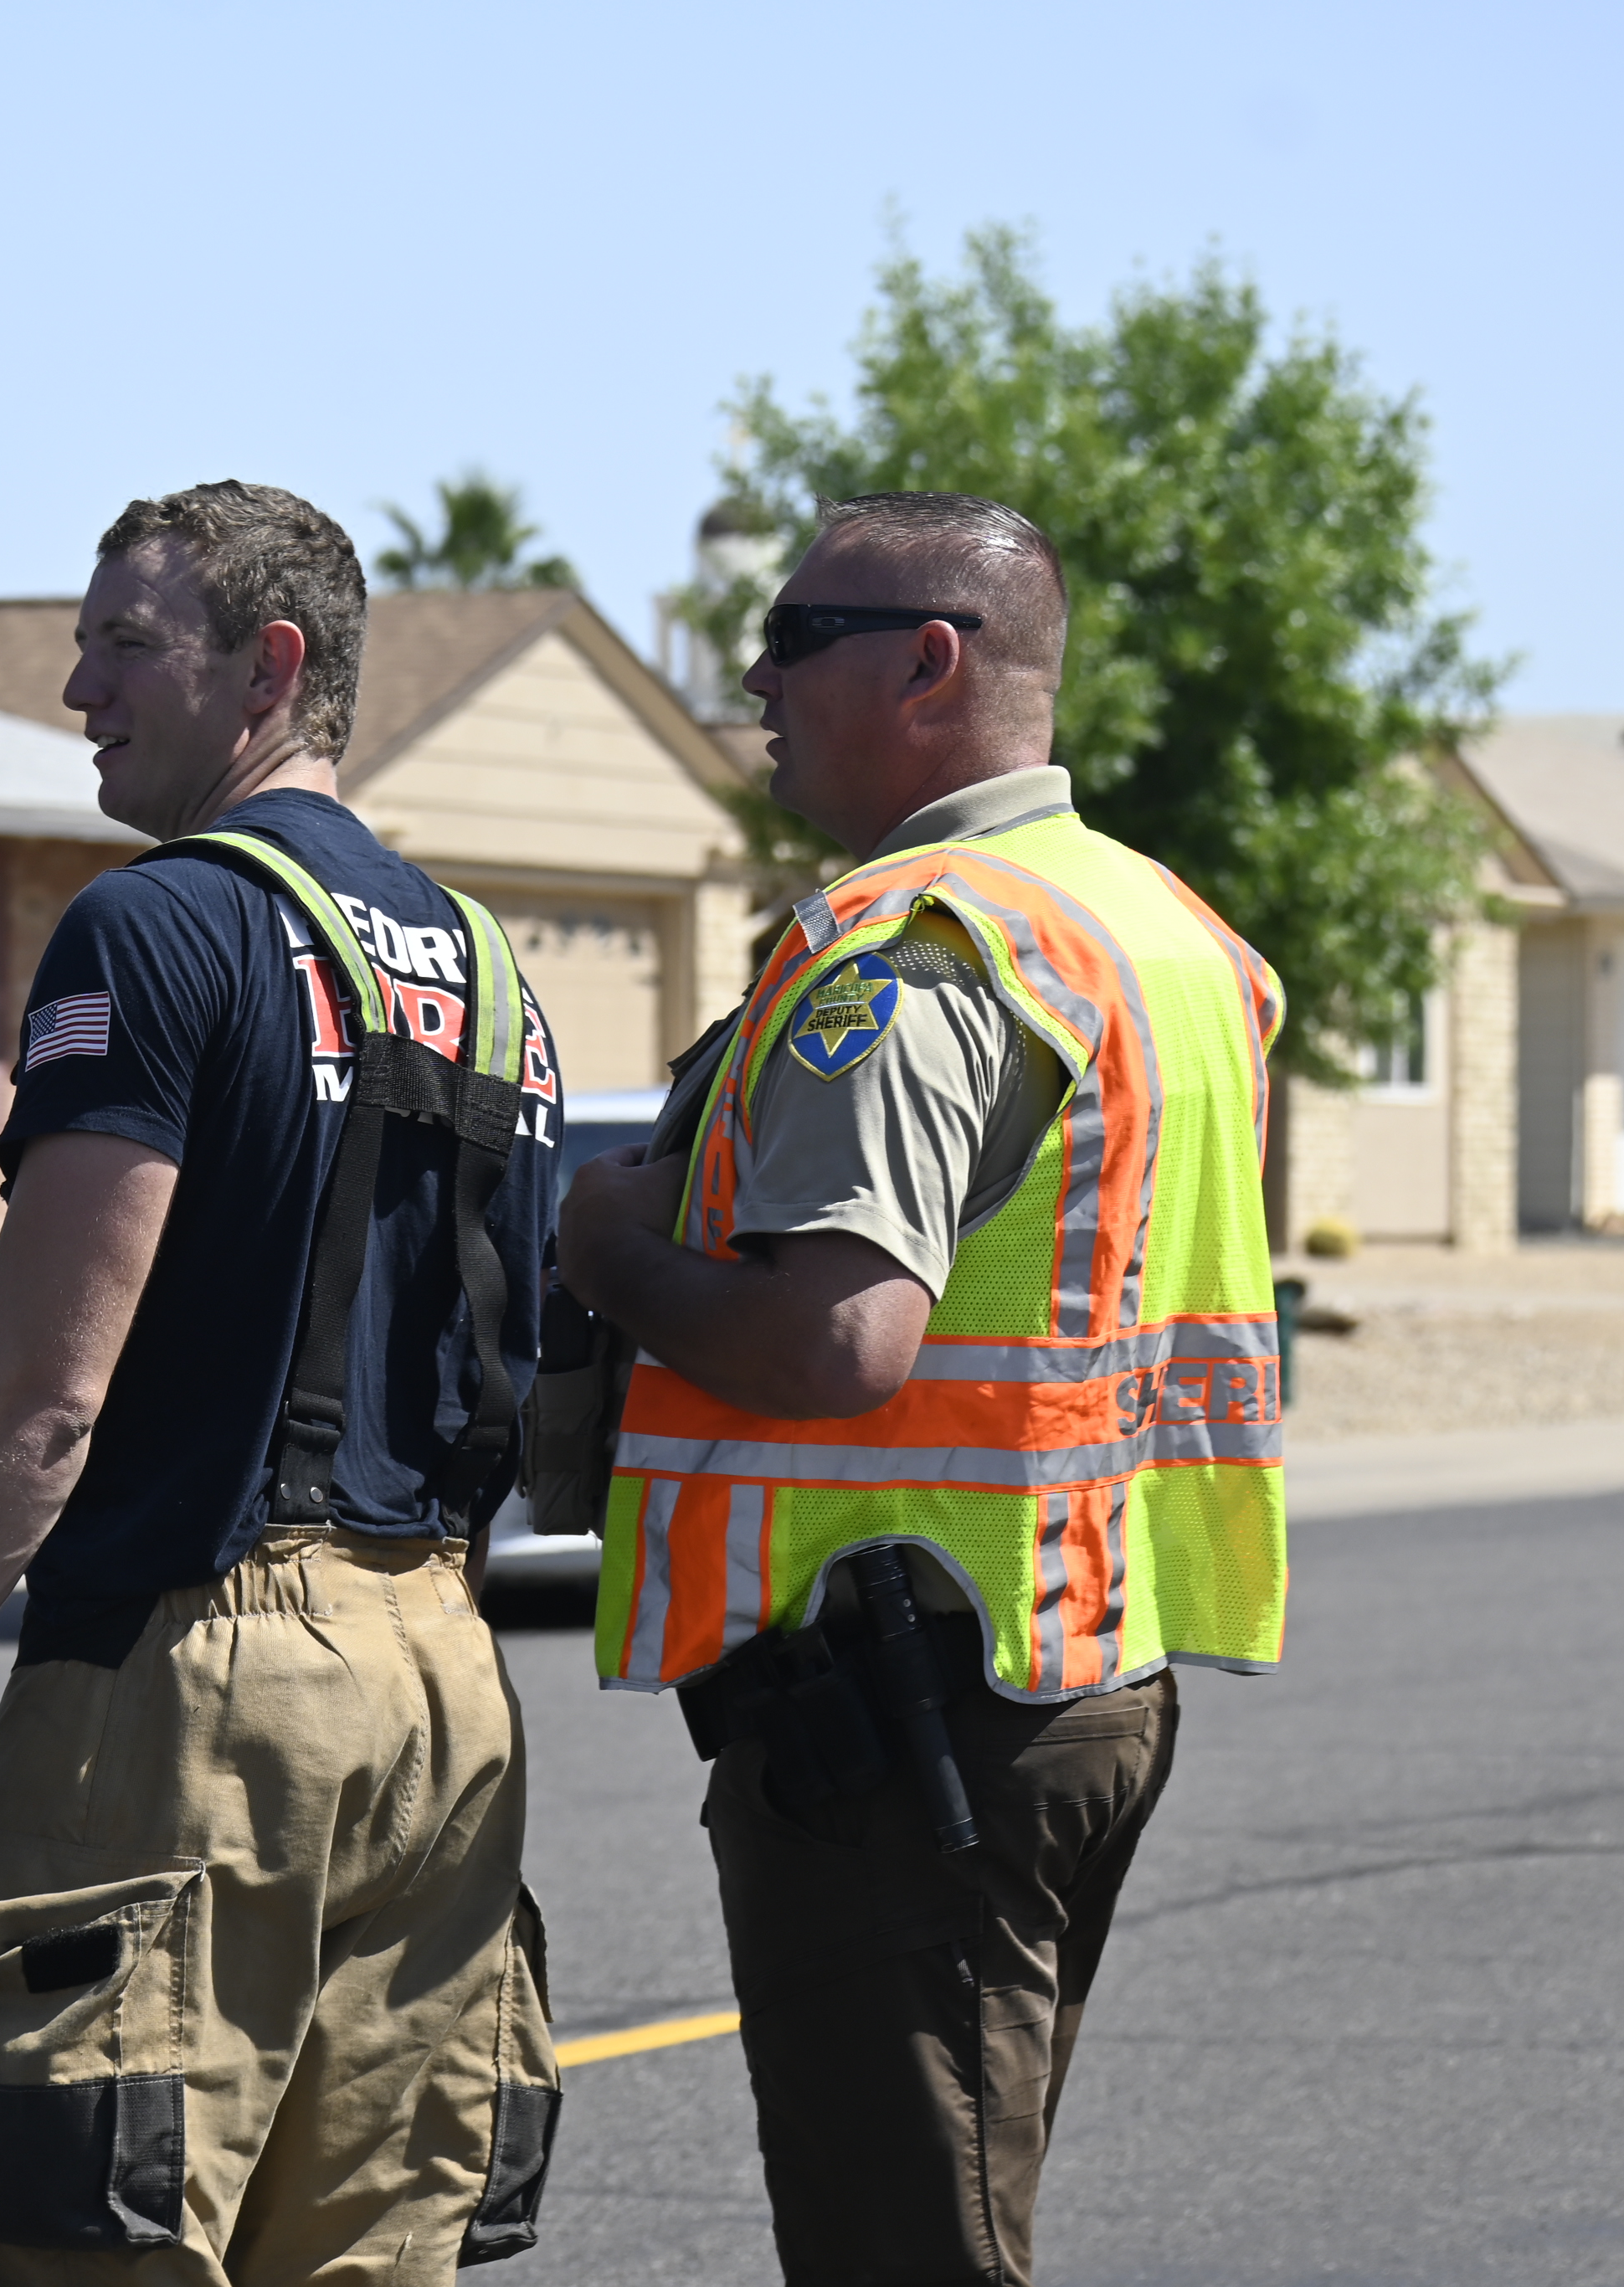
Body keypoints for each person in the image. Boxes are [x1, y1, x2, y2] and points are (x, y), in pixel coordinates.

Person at [0, 480, 568, 2285]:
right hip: (444, 1681)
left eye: (125, 643)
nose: (77, 688)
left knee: (61, 2237)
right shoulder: (494, 974)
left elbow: (44, 1403)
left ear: (269, 666)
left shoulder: (156, 929)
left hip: (204, 1688)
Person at [555, 491, 1287, 2287]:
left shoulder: (919, 951)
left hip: (907, 1709)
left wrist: (610, 1254)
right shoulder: (1165, 928)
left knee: (903, 2255)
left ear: (930, 663)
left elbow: (838, 1342)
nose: (756, 680)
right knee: (958, 2218)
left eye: (793, 640)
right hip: (1077, 1663)